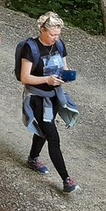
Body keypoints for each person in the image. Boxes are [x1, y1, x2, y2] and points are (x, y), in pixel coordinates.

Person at [20, 12, 80, 193]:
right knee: (53, 136)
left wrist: (66, 76)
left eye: (58, 34)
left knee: (44, 130)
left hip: (54, 96)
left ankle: (32, 158)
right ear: (42, 30)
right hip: (36, 98)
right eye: (52, 34)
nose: (56, 38)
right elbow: (25, 77)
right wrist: (47, 80)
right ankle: (66, 180)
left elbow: (64, 66)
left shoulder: (59, 45)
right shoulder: (31, 48)